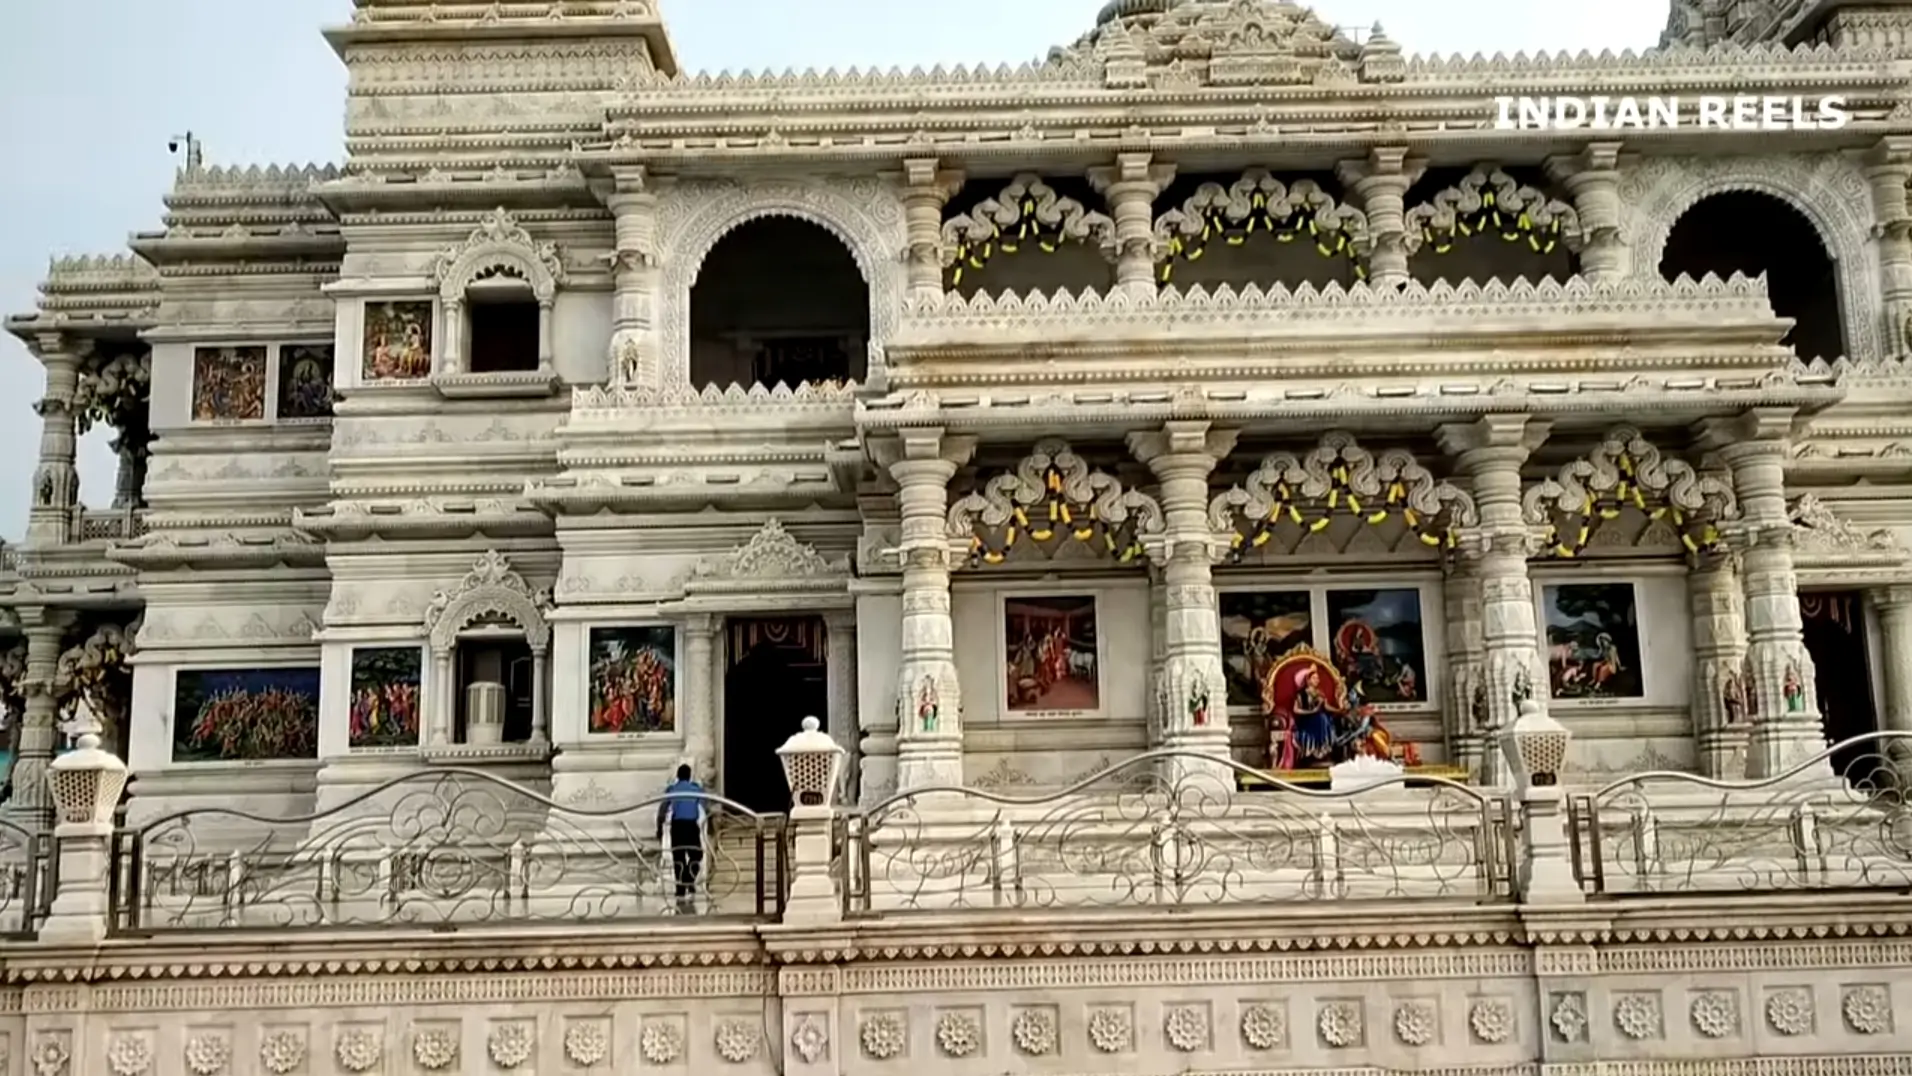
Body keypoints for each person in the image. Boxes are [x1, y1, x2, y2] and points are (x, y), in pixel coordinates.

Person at [655, 764, 705, 913]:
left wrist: (659, 827)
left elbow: (663, 809)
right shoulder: (696, 789)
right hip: (690, 826)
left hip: (677, 826)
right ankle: (688, 880)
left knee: (679, 858)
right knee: (697, 855)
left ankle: (681, 887)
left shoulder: (672, 789)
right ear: (690, 776)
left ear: (678, 775)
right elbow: (706, 806)